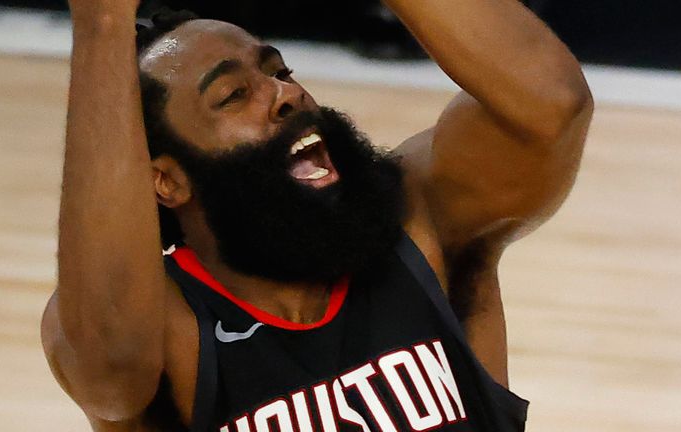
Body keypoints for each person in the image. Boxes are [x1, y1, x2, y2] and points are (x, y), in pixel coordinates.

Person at [41, 0, 593, 431]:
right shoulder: (171, 327)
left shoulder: (421, 223)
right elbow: (109, 362)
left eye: (279, 70)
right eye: (234, 95)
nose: (285, 94)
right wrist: (103, 21)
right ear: (166, 179)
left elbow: (550, 106)